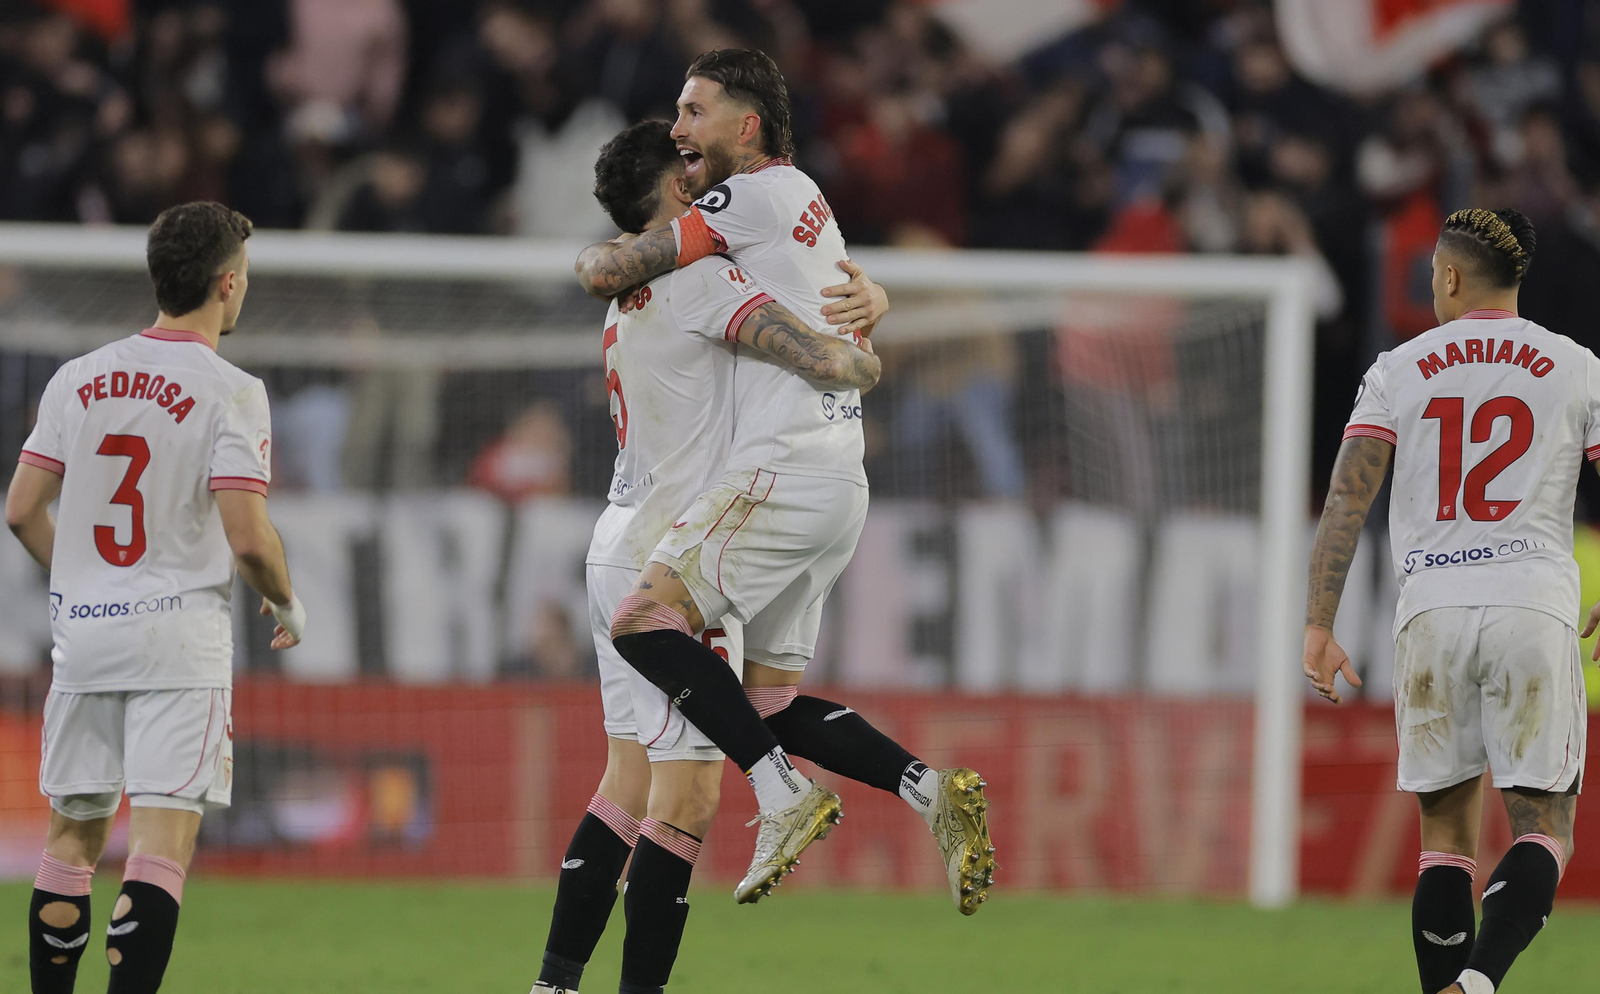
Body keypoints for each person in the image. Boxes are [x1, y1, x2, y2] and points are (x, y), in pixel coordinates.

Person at [574, 48, 995, 912]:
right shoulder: (800, 205)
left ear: (748, 125)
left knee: (645, 625)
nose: (683, 131)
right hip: (839, 479)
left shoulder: (732, 213)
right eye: (678, 124)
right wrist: (870, 312)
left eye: (695, 113)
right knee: (760, 700)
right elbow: (821, 300)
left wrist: (597, 257)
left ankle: (780, 792)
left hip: (779, 469)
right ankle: (926, 789)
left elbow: (619, 269)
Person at [536, 118, 882, 994]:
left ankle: (553, 985)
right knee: (684, 802)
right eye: (688, 168)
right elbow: (813, 353)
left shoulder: (632, 284)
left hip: (617, 534)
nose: (704, 177)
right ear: (679, 195)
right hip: (667, 546)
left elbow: (608, 264)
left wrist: (869, 292)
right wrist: (867, 342)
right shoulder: (697, 278)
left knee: (625, 779)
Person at [4, 202, 305, 994]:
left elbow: (19, 510)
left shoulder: (78, 378)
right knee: (160, 847)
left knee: (70, 842)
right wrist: (287, 601)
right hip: (178, 642)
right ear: (227, 284)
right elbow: (247, 537)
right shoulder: (231, 390)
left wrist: (79, 578)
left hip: (87, 638)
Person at [1304, 208, 1587, 994]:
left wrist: (1319, 624)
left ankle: (1446, 989)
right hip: (1531, 603)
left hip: (1431, 610)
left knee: (1444, 840)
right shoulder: (1574, 365)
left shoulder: (1400, 368)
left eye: (1432, 272)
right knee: (1545, 828)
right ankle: (1481, 980)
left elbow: (1345, 500)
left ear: (1452, 276)